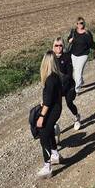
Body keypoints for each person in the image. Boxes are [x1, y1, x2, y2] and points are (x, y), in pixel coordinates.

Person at [36, 51, 63, 179]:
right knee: (50, 131)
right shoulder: (56, 76)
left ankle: (47, 167)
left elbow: (46, 103)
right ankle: (55, 155)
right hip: (57, 108)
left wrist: (41, 117)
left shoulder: (50, 80)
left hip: (52, 110)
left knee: (43, 135)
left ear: (45, 63)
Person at [52, 37, 81, 133]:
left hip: (68, 85)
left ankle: (77, 117)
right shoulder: (51, 58)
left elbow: (69, 74)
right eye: (56, 45)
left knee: (69, 103)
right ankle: (54, 125)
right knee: (56, 107)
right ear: (53, 46)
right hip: (57, 87)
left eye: (60, 45)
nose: (58, 47)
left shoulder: (67, 56)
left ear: (63, 46)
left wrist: (63, 85)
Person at [67, 17, 95, 92]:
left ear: (84, 23)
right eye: (78, 23)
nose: (80, 25)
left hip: (83, 55)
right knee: (75, 70)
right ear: (76, 24)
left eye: (81, 23)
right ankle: (81, 81)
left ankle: (76, 89)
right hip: (73, 54)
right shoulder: (73, 31)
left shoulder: (87, 33)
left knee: (78, 71)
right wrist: (69, 40)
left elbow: (91, 44)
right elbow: (68, 39)